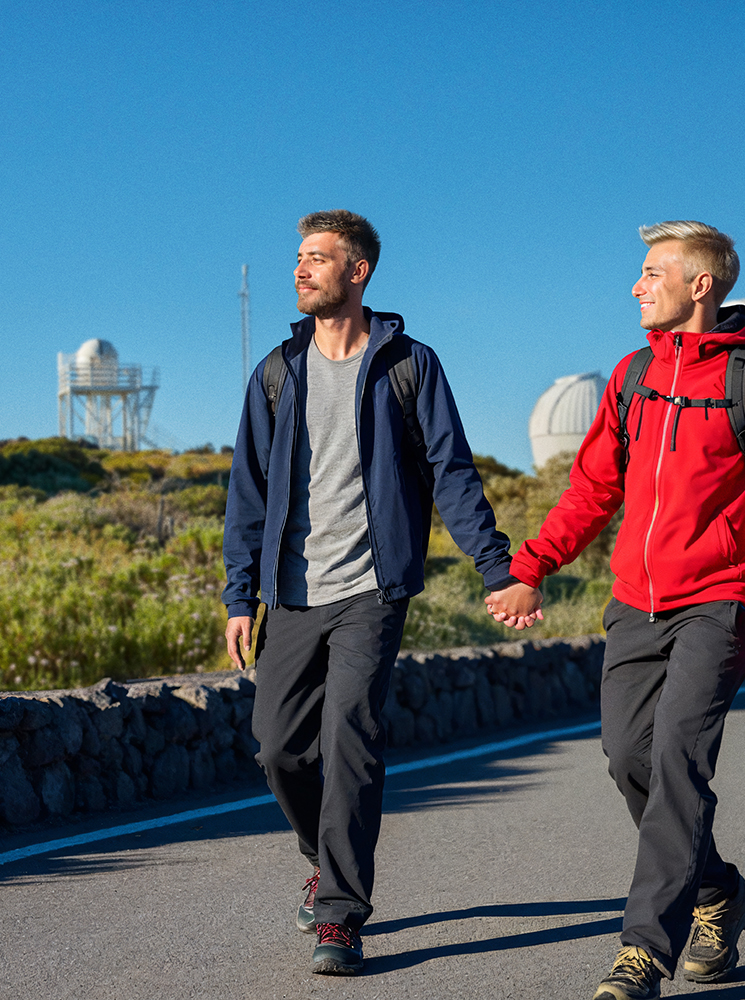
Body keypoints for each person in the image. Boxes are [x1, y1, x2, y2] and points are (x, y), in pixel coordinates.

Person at [487, 221, 745, 999]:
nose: (636, 285)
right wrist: (532, 567)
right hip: (635, 602)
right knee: (628, 756)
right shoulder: (632, 376)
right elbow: (593, 487)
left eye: (651, 272)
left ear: (700, 285)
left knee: (677, 762)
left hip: (722, 599)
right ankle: (720, 894)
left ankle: (642, 953)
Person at [223, 210, 521, 976]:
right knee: (279, 750)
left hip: (372, 588)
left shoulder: (407, 365)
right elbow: (247, 494)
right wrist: (238, 595)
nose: (301, 269)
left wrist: (497, 568)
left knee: (350, 736)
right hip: (291, 594)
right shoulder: (276, 372)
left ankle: (341, 917)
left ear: (358, 271)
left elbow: (452, 472)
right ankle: (324, 857)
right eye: (298, 257)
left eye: (317, 258)